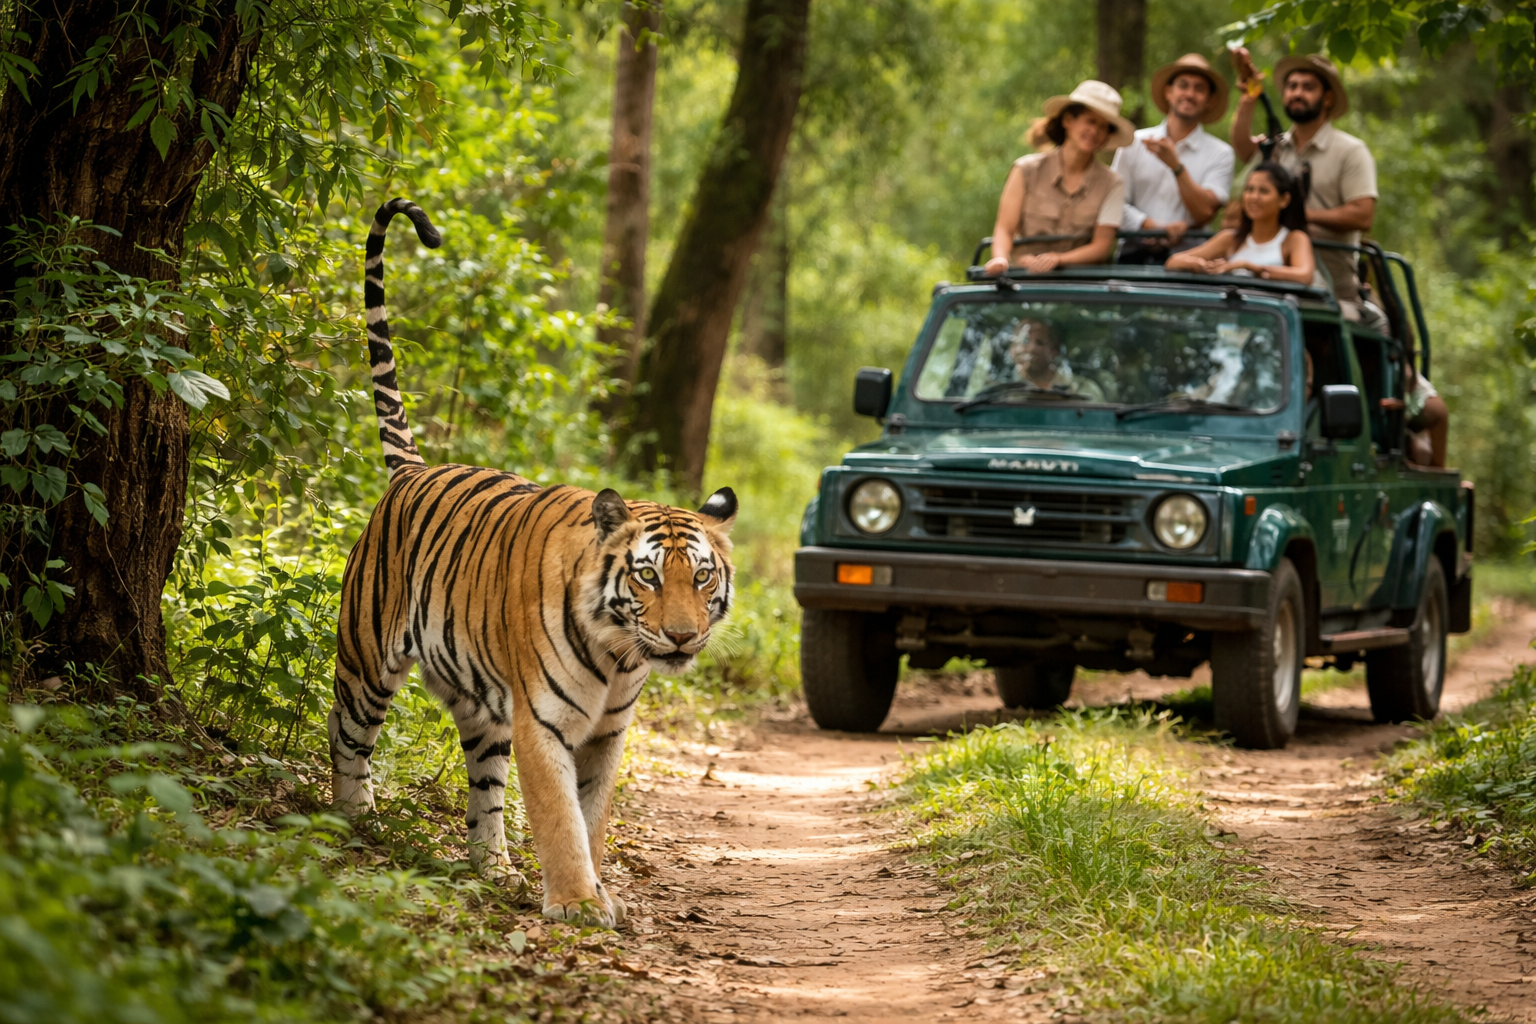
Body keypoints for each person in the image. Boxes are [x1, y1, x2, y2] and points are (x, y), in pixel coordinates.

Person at [1228, 49, 1378, 315]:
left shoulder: (1350, 151)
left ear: (1328, 97)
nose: (1297, 93)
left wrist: (1299, 215)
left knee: (1372, 325)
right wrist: (1251, 91)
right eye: (1291, 86)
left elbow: (1363, 215)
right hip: (1268, 279)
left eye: (1308, 87)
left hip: (1331, 289)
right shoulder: (1275, 148)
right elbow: (1241, 146)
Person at [983, 81, 1134, 276]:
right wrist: (1001, 260)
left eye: (1103, 127)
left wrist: (1057, 260)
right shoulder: (1025, 170)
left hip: (1081, 287)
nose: (1095, 131)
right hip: (1023, 282)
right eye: (1090, 121)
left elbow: (1101, 246)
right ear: (1068, 121)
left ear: (1107, 136)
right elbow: (1005, 228)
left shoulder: (1112, 183)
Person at [1112, 53, 1235, 264]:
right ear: (1168, 92)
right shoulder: (1134, 142)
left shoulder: (1221, 153)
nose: (1189, 94)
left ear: (1210, 100)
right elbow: (1113, 201)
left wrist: (1176, 166)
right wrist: (1150, 226)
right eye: (1183, 85)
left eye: (1199, 88)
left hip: (1189, 263)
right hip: (1131, 258)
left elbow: (1205, 212)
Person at [1166, 162, 1318, 285]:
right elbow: (1173, 261)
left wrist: (1249, 267)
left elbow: (1304, 275)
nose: (1253, 197)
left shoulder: (1294, 239)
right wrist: (1200, 264)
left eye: (1263, 191)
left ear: (1284, 199)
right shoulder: (1230, 238)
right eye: (1249, 189)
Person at [1008, 319, 1105, 401]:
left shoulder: (1082, 389)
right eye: (1021, 341)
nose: (1029, 348)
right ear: (1011, 350)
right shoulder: (1002, 390)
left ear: (1054, 352)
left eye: (1039, 343)